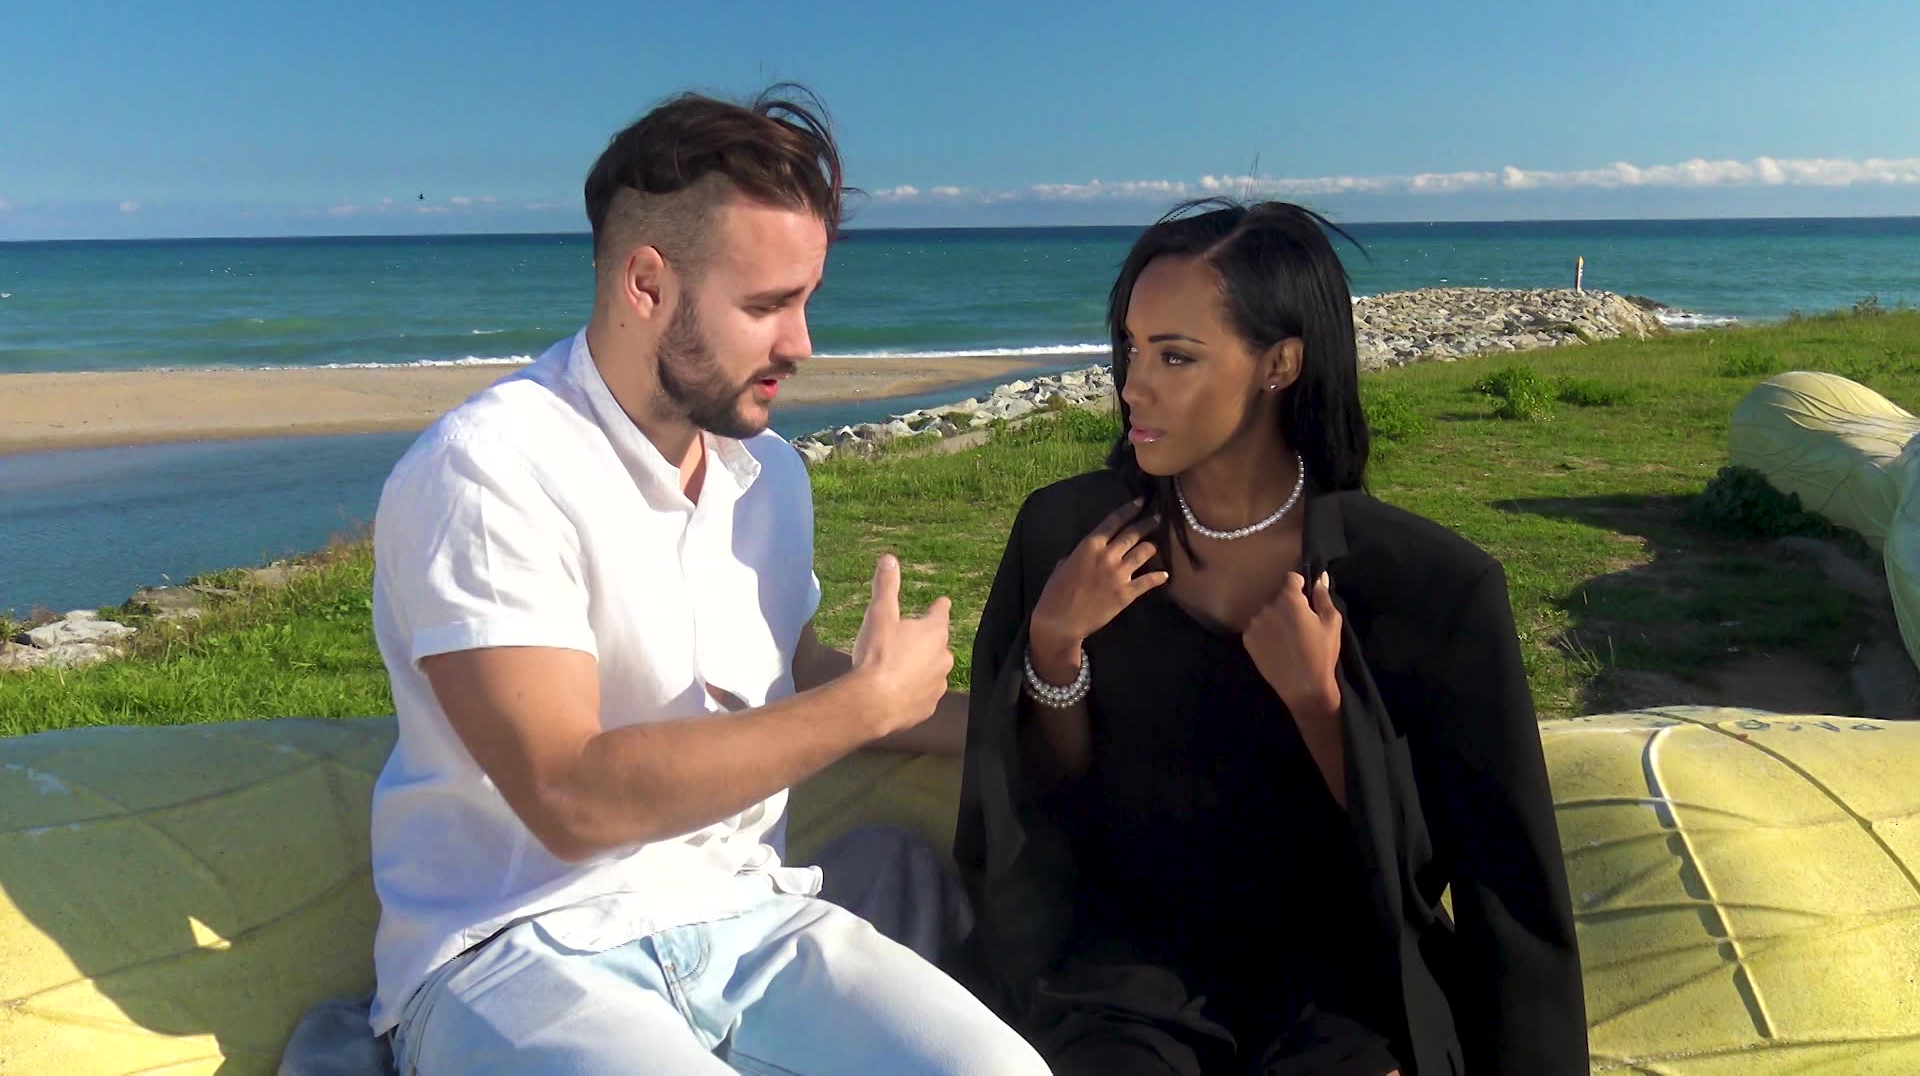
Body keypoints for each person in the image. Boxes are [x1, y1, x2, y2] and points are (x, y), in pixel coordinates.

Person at [363, 86, 1046, 1075]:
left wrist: (1024, 728)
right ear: (646, 284)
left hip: (748, 918)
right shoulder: (487, 469)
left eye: (805, 300)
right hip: (519, 948)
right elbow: (567, 794)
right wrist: (863, 705)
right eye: (766, 306)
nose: (802, 344)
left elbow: (794, 677)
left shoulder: (767, 475)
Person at [951, 199, 1588, 1074]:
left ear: (1280, 364)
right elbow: (1040, 804)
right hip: (1125, 971)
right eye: (1132, 347)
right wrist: (1054, 649)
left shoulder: (1431, 587)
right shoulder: (1066, 535)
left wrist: (1321, 706)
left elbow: (1483, 875)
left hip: (1340, 979)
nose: (1132, 385)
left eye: (1175, 355)